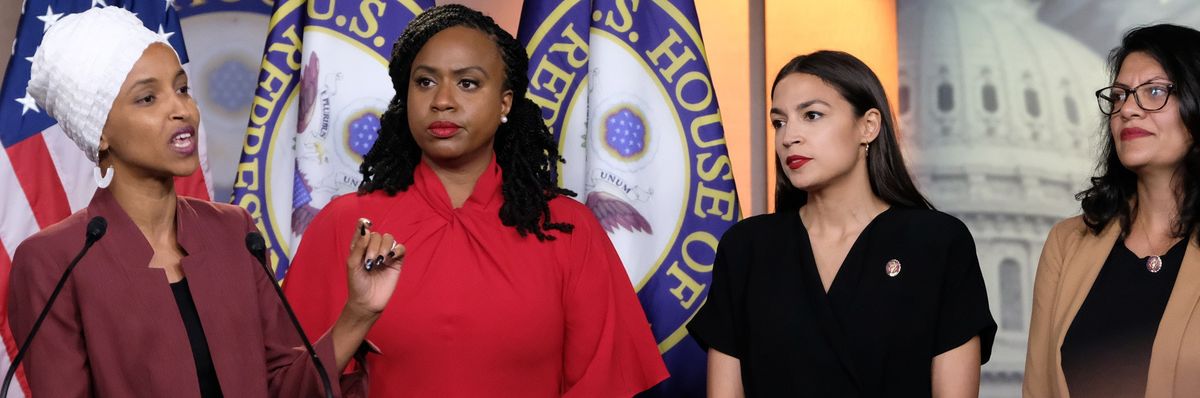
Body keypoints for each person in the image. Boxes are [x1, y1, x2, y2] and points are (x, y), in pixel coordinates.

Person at [8, 7, 401, 396]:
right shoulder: (52, 261)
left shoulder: (235, 232)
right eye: (147, 98)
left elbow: (284, 387)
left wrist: (359, 312)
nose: (181, 110)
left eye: (181, 89)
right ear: (101, 131)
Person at [280, 4, 668, 397]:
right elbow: (286, 388)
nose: (442, 100)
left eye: (467, 83)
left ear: (505, 103)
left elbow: (602, 386)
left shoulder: (568, 229)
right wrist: (357, 315)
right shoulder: (347, 225)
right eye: (425, 82)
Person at [687, 50, 996, 397]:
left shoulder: (937, 242)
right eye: (779, 122)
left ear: (868, 126)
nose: (789, 137)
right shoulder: (747, 247)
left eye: (812, 115)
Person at [1024, 24, 1200, 397]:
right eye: (1119, 96)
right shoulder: (1067, 242)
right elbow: (1038, 388)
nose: (1128, 110)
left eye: (1154, 91)